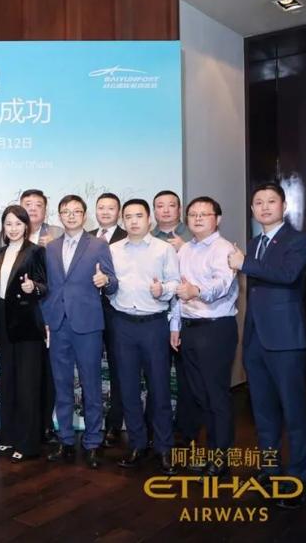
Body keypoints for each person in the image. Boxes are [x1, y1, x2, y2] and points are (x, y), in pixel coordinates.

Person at [228, 182, 306, 509]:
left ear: (283, 206)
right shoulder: (254, 243)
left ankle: (297, 477)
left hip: (286, 339)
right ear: (252, 209)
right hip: (255, 340)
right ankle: (269, 468)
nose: (264, 207)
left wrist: (244, 263)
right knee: (263, 411)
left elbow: (288, 274)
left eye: (271, 201)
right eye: (259, 202)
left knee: (293, 412)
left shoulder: (297, 240)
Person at [42, 195, 117, 469]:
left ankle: (93, 441)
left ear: (84, 215)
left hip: (87, 324)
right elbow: (48, 287)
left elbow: (113, 283)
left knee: (91, 384)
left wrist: (105, 280)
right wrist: (46, 319)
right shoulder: (51, 247)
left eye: (76, 211)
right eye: (65, 212)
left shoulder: (98, 244)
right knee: (61, 384)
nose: (71, 215)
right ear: (59, 216)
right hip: (58, 324)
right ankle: (65, 439)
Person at [107, 199, 179, 475]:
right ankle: (137, 444)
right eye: (128, 216)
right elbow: (108, 283)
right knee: (128, 389)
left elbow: (175, 281)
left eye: (139, 215)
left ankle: (164, 448)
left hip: (153, 324)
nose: (134, 221)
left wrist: (164, 290)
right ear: (123, 221)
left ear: (149, 219)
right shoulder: (113, 250)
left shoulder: (163, 249)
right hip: (123, 323)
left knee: (159, 388)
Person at [170, 196, 238, 477]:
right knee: (199, 396)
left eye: (204, 214)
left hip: (216, 329)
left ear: (217, 219)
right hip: (189, 328)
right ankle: (210, 453)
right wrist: (175, 327)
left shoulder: (224, 249)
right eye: (193, 214)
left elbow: (222, 284)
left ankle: (221, 458)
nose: (197, 218)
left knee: (216, 395)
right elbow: (178, 291)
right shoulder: (185, 249)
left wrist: (197, 291)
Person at [0, 205, 47, 462]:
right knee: (8, 383)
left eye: (18, 223)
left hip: (26, 325)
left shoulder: (36, 251)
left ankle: (28, 443)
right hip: (3, 322)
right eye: (8, 224)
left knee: (27, 385)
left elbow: (45, 286)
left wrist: (33, 286)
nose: (13, 228)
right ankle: (8, 438)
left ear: (26, 226)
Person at [151, 189, 198, 446]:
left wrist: (185, 249)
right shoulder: (147, 238)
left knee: (186, 375)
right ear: (154, 211)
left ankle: (187, 430)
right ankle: (156, 430)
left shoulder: (193, 236)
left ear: (179, 209)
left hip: (188, 315)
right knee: (155, 376)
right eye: (160, 206)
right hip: (157, 316)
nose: (166, 210)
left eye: (171, 205)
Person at [88, 193, 129, 448]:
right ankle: (90, 423)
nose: (105, 212)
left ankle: (114, 423)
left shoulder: (128, 237)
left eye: (110, 208)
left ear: (119, 211)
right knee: (89, 367)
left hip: (116, 311)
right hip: (89, 311)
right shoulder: (86, 237)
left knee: (118, 367)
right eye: (101, 207)